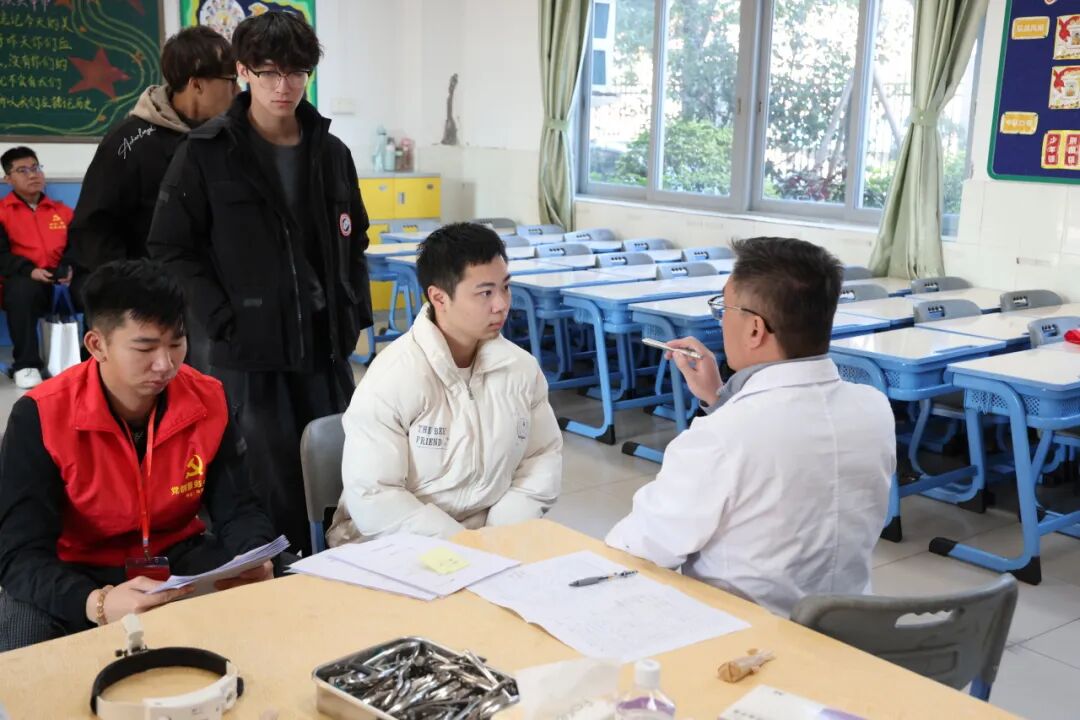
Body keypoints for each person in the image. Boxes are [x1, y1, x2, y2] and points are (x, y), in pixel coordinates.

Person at [148, 12, 373, 555]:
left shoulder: (332, 153)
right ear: (244, 72)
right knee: (267, 483)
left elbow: (355, 241)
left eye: (296, 72)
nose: (283, 86)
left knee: (341, 470)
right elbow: (170, 247)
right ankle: (280, 577)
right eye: (269, 72)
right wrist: (221, 319)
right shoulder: (206, 152)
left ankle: (340, 569)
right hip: (248, 352)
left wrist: (352, 317)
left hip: (322, 347)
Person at [605, 237, 896, 617]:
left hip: (746, 634)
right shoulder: (874, 407)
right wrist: (719, 398)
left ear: (755, 329)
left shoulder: (722, 436)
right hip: (845, 633)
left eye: (724, 309)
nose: (721, 320)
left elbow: (638, 548)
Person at [0, 260, 278, 651]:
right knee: (23, 635)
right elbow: (19, 555)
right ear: (97, 345)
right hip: (78, 573)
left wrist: (252, 556)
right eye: (145, 348)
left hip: (177, 563)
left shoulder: (208, 398)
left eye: (177, 343)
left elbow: (239, 508)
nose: (165, 364)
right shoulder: (41, 416)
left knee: (279, 584)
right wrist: (98, 603)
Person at [327, 223, 562, 544]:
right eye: (485, 292)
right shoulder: (394, 376)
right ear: (439, 297)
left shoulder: (521, 369)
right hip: (395, 540)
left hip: (491, 536)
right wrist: (464, 545)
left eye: (505, 287)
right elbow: (374, 494)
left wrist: (501, 535)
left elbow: (542, 457)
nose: (502, 304)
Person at [65, 26, 238, 272]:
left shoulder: (228, 138)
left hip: (210, 285)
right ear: (197, 85)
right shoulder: (128, 142)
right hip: (151, 288)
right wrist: (129, 287)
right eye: (231, 80)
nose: (238, 91)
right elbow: (93, 229)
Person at [0, 146, 80, 389]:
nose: (33, 174)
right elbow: (1, 255)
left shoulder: (63, 211)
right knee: (21, 291)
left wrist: (69, 267)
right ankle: (26, 364)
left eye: (36, 168)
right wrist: (29, 270)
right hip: (26, 279)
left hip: (62, 279)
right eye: (22, 170)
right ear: (7, 179)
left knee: (97, 285)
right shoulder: (2, 213)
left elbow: (79, 245)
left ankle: (91, 358)